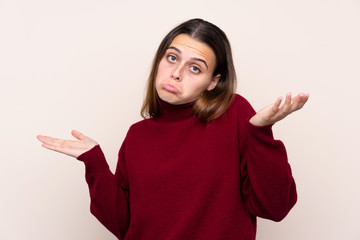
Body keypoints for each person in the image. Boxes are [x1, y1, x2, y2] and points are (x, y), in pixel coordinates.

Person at [37, 18, 309, 240]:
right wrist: (94, 161)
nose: (176, 73)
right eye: (171, 58)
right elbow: (124, 225)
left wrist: (261, 133)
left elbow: (274, 207)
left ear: (213, 82)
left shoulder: (234, 113)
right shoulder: (137, 136)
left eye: (194, 67)